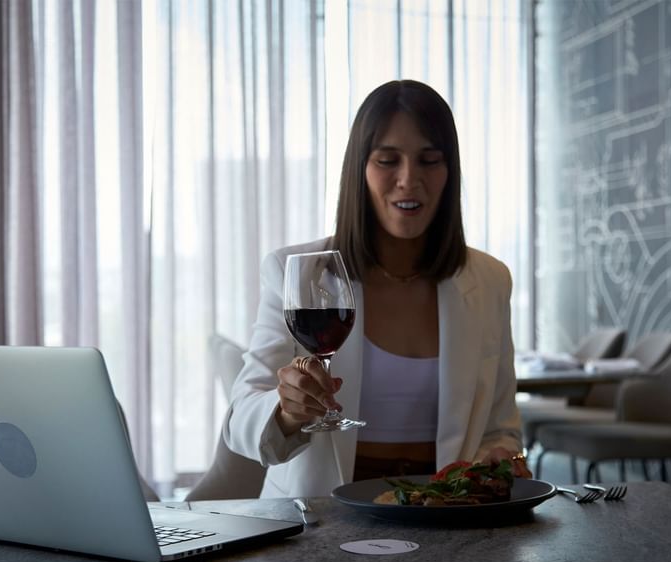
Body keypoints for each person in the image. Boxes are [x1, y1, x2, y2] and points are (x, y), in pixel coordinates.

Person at [222, 80, 531, 498]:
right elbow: (241, 418)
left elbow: (501, 431)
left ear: (449, 171)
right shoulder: (295, 271)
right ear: (360, 170)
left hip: (444, 522)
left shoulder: (490, 280)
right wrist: (286, 410)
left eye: (430, 160)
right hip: (319, 526)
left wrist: (503, 458)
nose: (409, 179)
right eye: (388, 160)